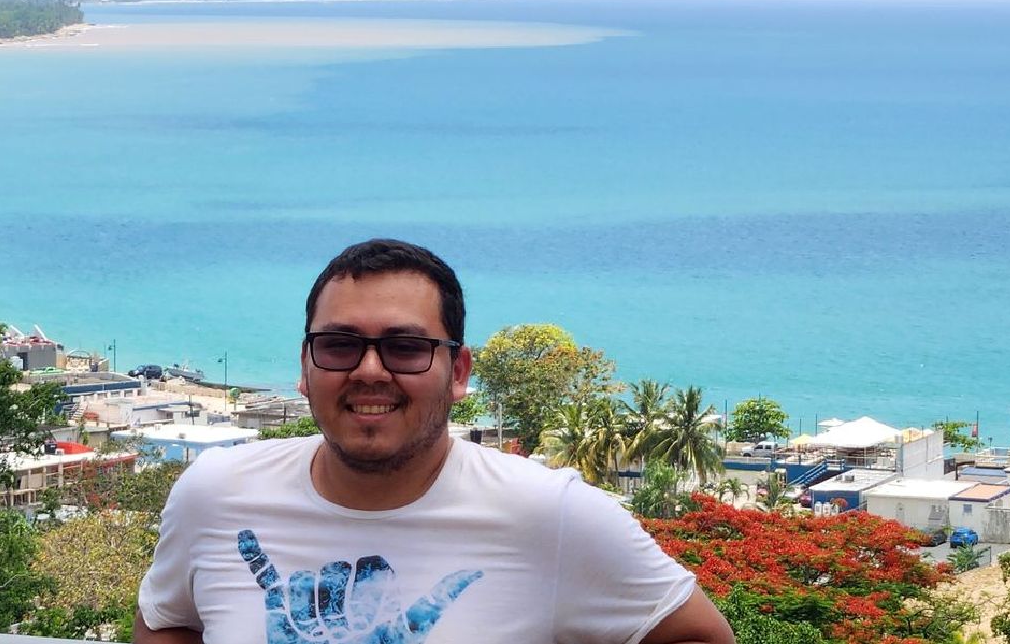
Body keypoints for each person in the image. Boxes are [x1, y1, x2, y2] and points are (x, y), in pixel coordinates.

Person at [136, 238, 734, 643]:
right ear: (305, 365)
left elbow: (696, 636)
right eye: (340, 344)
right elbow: (165, 623)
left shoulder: (551, 514)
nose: (370, 370)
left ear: (459, 372)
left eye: (406, 347)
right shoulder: (214, 494)